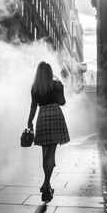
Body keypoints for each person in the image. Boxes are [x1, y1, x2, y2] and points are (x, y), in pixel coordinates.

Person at [27, 61, 70, 202]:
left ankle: (47, 184)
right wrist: (61, 89)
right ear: (50, 72)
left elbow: (33, 106)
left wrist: (29, 122)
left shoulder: (35, 87)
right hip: (55, 116)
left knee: (45, 152)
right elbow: (62, 102)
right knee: (51, 152)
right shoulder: (57, 85)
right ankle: (46, 183)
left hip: (42, 117)